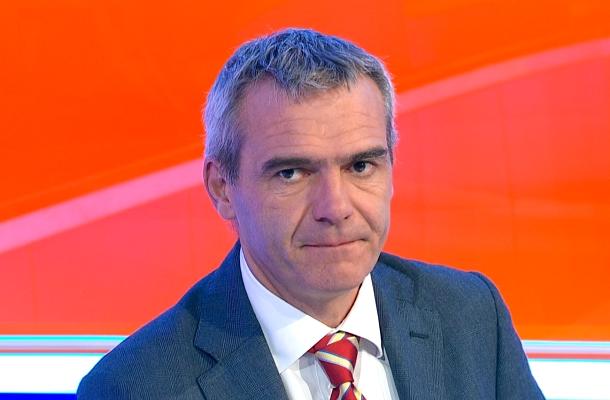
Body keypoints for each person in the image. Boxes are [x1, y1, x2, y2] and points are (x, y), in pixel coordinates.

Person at [77, 28, 545, 399]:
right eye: (292, 173)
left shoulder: (471, 315)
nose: (335, 208)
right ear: (222, 188)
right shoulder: (136, 386)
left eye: (360, 166)